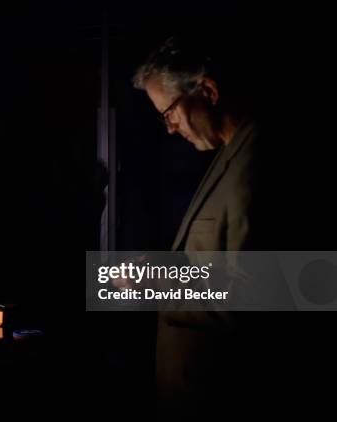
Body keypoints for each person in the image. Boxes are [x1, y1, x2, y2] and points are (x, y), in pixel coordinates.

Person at [132, 36, 287, 419]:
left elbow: (253, 293)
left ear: (208, 91)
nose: (169, 128)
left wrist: (154, 282)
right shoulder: (229, 153)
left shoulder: (258, 162)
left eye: (169, 112)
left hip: (221, 397)